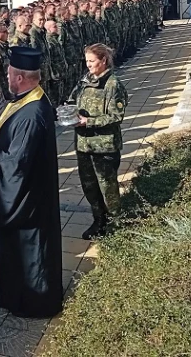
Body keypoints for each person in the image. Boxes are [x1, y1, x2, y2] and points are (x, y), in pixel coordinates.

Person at [0, 46, 62, 318]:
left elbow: (16, 164)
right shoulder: (28, 99)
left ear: (20, 77)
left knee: (30, 256)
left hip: (27, 206)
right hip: (32, 197)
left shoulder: (32, 113)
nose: (7, 77)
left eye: (10, 73)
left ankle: (32, 302)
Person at [70, 44, 128, 239]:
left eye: (92, 61)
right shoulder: (85, 81)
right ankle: (99, 222)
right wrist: (69, 114)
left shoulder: (113, 84)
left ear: (103, 60)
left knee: (108, 187)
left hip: (104, 146)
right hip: (84, 145)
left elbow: (116, 116)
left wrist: (89, 122)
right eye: (87, 61)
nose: (89, 65)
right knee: (90, 186)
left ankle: (118, 225)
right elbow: (72, 100)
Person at [45, 19, 67, 105]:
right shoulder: (49, 42)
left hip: (60, 71)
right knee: (54, 97)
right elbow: (50, 60)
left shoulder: (55, 39)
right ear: (48, 29)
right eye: (54, 27)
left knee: (60, 95)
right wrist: (54, 72)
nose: (57, 28)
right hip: (55, 73)